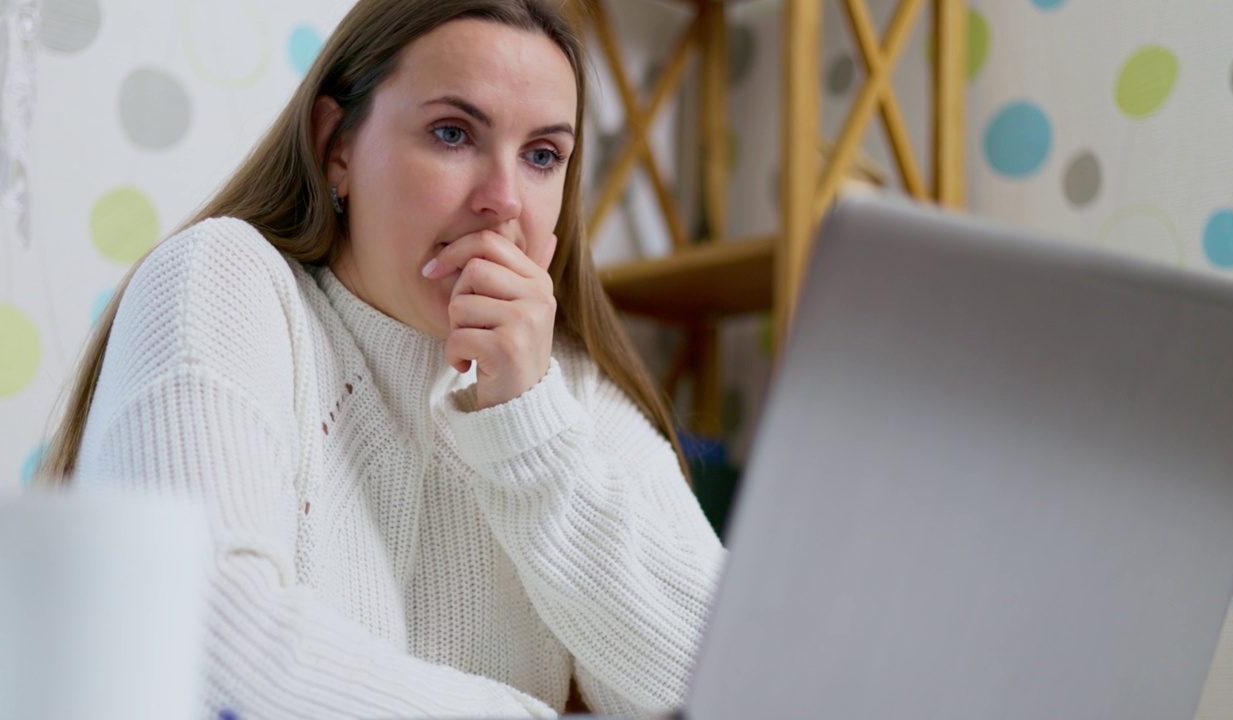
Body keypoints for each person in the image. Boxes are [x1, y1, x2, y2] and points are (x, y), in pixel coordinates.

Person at [39, 0, 725, 717]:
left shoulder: (565, 392)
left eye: (543, 155)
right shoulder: (223, 280)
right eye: (453, 133)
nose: (505, 202)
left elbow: (742, 683)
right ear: (336, 145)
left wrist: (528, 429)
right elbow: (198, 635)